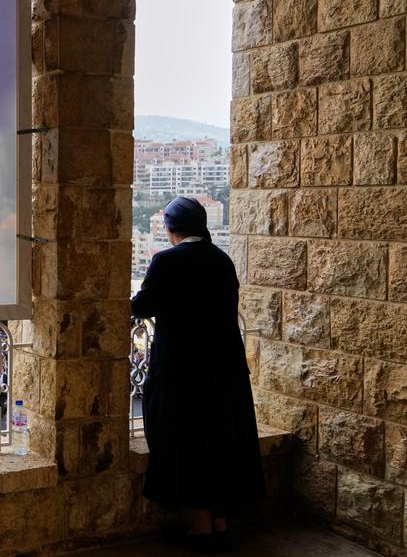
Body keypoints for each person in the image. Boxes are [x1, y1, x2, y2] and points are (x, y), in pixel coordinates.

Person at [130, 196, 265, 552]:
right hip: (223, 367)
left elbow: (143, 305)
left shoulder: (166, 261)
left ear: (172, 228)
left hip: (182, 369)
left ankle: (202, 529)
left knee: (187, 440)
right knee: (219, 439)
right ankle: (219, 523)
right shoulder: (222, 260)